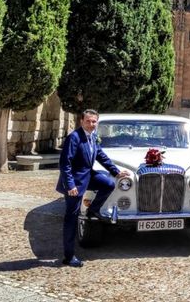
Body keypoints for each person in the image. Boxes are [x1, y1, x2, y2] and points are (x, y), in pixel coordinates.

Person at [56, 109, 129, 267]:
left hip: (88, 175)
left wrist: (116, 172)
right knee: (71, 218)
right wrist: (70, 185)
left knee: (108, 184)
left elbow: (101, 156)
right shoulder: (74, 138)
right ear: (81, 121)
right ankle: (68, 257)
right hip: (75, 182)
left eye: (94, 121)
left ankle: (92, 210)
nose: (91, 124)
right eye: (88, 121)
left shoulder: (93, 137)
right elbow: (65, 164)